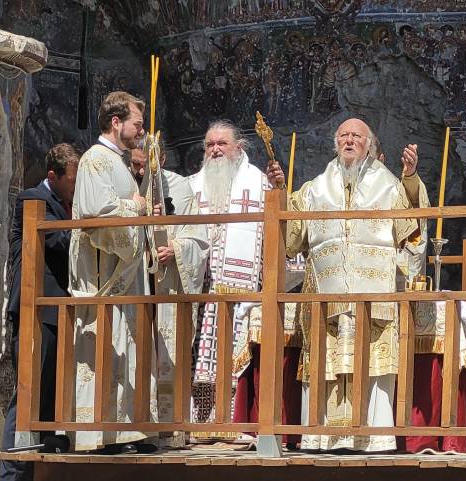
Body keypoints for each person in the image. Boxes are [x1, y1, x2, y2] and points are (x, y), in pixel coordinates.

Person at [267, 118, 428, 452]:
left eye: (357, 135)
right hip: (325, 297)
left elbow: (412, 231)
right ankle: (321, 437)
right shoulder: (314, 188)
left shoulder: (389, 186)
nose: (350, 140)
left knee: (372, 364)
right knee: (326, 364)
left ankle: (372, 440)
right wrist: (281, 194)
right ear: (335, 143)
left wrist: (410, 178)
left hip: (373, 299)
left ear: (369, 144)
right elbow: (292, 238)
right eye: (344, 135)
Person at [186, 121, 302, 444]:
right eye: (209, 145)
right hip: (202, 291)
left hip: (243, 292)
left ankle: (233, 423)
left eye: (222, 143)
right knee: (200, 360)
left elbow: (281, 239)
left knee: (234, 360)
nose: (216, 150)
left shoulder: (261, 184)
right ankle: (200, 423)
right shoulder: (192, 186)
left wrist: (281, 191)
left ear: (240, 147)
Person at [68, 91, 156, 453]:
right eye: (137, 123)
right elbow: (95, 214)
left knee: (124, 347)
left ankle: (124, 429)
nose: (141, 131)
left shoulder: (118, 162)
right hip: (103, 274)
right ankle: (99, 432)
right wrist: (135, 207)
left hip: (122, 273)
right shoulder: (95, 160)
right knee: (104, 347)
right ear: (116, 122)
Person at [0, 144, 80, 480]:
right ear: (53, 176)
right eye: (72, 181)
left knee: (51, 393)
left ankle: (39, 468)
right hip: (36, 309)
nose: (76, 187)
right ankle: (13, 471)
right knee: (29, 390)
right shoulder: (33, 200)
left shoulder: (64, 204)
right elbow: (57, 241)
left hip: (57, 310)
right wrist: (89, 223)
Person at [129, 139, 210, 438]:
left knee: (167, 354)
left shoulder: (179, 187)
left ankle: (169, 426)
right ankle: (135, 428)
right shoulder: (126, 186)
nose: (140, 171)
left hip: (167, 286)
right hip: (135, 283)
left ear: (160, 159)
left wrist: (176, 249)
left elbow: (199, 240)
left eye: (145, 164)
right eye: (135, 164)